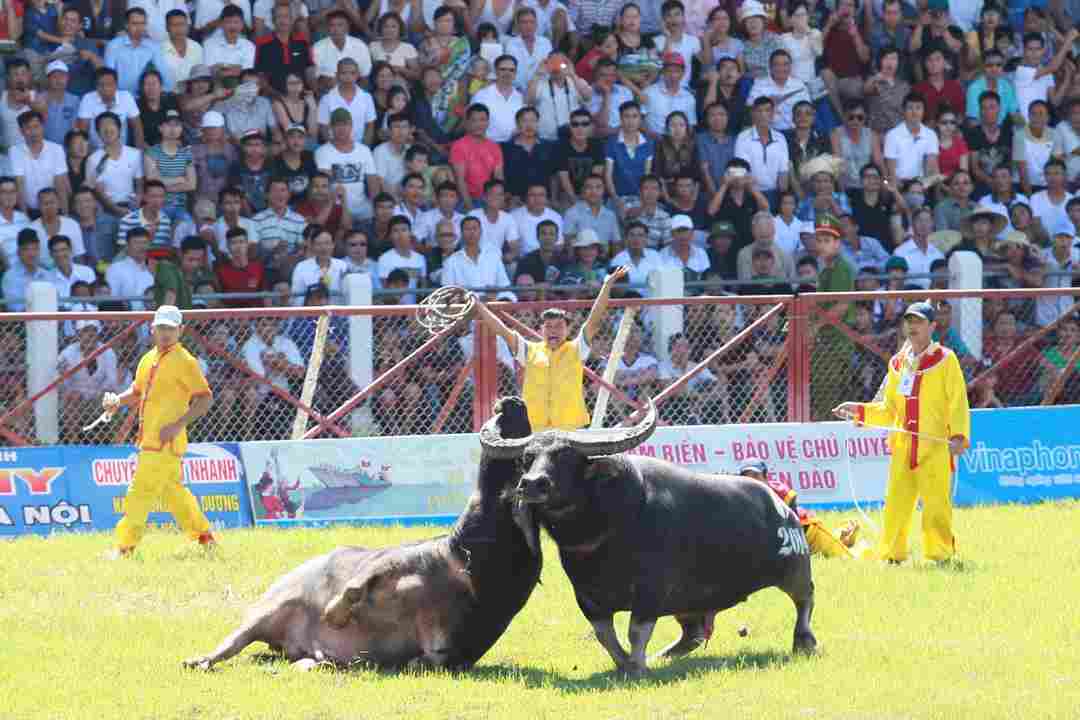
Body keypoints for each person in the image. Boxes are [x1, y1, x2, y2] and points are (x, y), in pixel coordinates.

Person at [833, 301, 971, 565]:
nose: (913, 326)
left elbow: (957, 401)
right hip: (902, 446)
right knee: (896, 504)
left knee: (936, 506)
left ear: (933, 326)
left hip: (935, 448)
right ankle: (892, 555)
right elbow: (889, 409)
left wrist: (958, 436)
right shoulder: (897, 363)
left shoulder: (946, 359)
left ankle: (940, 554)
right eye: (909, 321)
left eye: (919, 321)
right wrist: (858, 411)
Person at [101, 305, 217, 557]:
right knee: (173, 492)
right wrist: (116, 401)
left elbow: (205, 399)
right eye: (161, 327)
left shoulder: (186, 361)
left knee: (139, 492)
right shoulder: (148, 359)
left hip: (164, 441)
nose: (165, 333)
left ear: (181, 331)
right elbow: (136, 392)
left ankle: (125, 547)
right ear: (152, 329)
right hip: (153, 440)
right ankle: (204, 537)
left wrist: (177, 424)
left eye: (171, 328)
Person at [472, 265, 630, 430]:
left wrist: (607, 285)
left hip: (571, 430)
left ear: (568, 330)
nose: (553, 331)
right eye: (548, 326)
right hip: (535, 430)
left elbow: (594, 317)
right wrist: (479, 306)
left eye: (559, 326)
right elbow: (501, 329)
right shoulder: (529, 350)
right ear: (540, 329)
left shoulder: (577, 349)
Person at [739, 460, 871, 559]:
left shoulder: (781, 493)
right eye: (747, 477)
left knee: (848, 558)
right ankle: (842, 537)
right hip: (790, 541)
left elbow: (791, 526)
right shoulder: (742, 498)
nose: (752, 481)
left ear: (766, 477)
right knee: (827, 552)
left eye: (756, 476)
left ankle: (861, 547)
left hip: (810, 533)